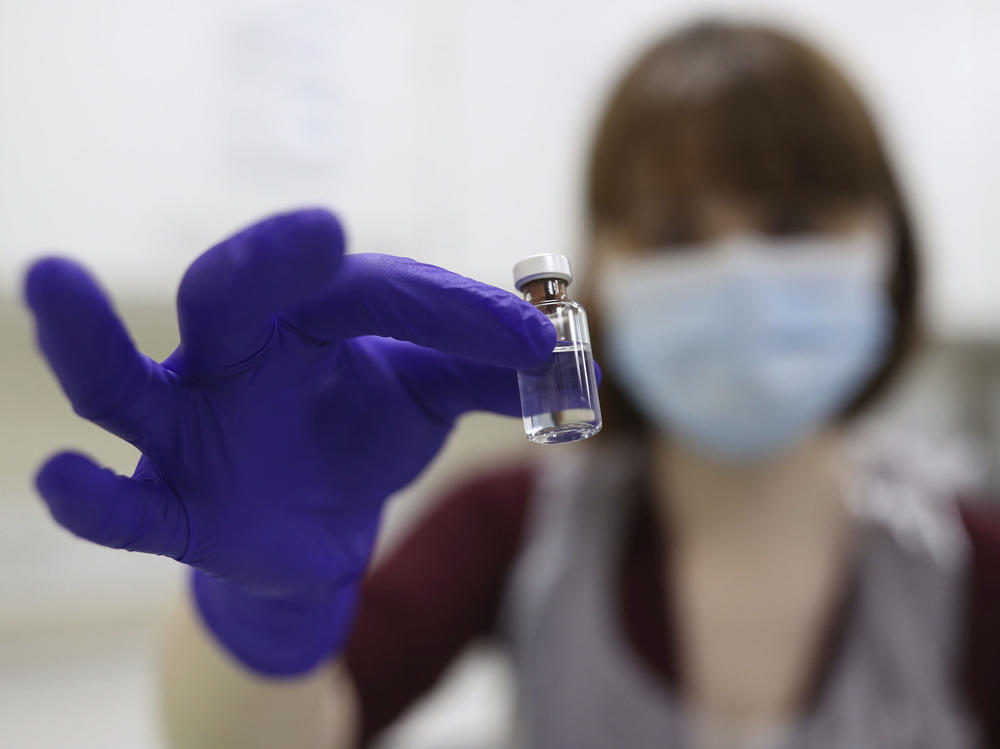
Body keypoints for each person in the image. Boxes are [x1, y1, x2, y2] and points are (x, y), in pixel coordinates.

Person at [23, 19, 1000, 749]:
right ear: (600, 269)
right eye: (670, 232)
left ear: (894, 252)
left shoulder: (977, 559)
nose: (739, 274)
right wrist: (260, 615)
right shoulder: (511, 525)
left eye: (792, 221)